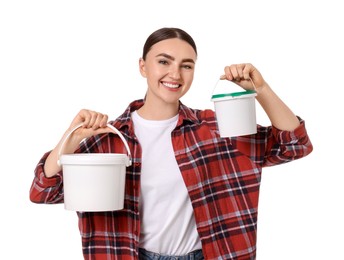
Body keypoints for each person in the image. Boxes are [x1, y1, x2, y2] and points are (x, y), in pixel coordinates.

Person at [30, 27, 313, 260]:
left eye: (186, 66)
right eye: (164, 61)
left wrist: (260, 90)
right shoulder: (108, 139)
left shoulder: (217, 130)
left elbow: (295, 144)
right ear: (143, 66)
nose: (175, 74)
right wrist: (71, 136)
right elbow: (43, 192)